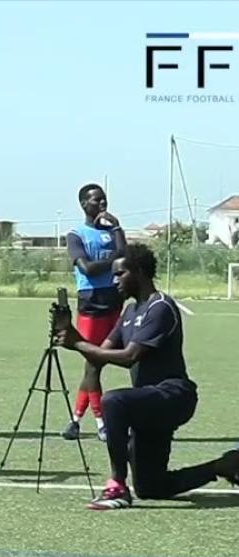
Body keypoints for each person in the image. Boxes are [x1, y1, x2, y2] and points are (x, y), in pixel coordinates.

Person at [54, 244, 239, 509]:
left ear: (138, 272)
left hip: (174, 396)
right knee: (151, 487)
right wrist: (72, 334)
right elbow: (100, 355)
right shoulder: (129, 312)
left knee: (114, 402)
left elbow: (130, 356)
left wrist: (78, 344)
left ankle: (117, 485)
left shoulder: (160, 307)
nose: (114, 280)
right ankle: (223, 465)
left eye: (120, 274)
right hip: (147, 404)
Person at [63, 184, 125, 443]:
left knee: (96, 364)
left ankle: (75, 421)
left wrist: (118, 227)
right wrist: (113, 263)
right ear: (83, 204)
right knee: (93, 363)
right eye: (96, 200)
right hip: (91, 302)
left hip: (114, 300)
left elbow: (126, 255)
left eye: (104, 199)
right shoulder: (76, 235)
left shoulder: (111, 232)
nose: (102, 204)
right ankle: (101, 423)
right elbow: (87, 268)